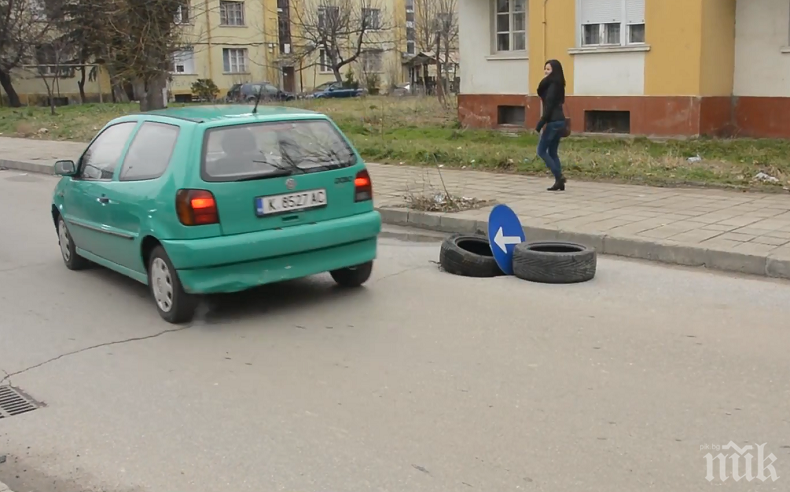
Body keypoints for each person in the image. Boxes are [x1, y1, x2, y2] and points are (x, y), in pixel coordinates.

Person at [535, 59, 567, 192]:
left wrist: (541, 123)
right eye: (545, 69)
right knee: (553, 152)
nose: (545, 72)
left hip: (553, 122)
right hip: (560, 121)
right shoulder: (558, 84)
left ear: (555, 71)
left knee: (541, 151)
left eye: (548, 69)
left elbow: (549, 106)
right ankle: (559, 183)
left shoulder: (552, 85)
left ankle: (559, 177)